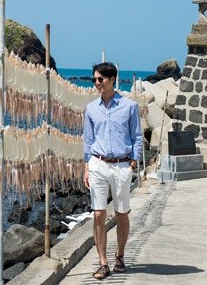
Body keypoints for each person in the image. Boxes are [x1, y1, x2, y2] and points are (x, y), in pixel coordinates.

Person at [83, 62, 142, 280]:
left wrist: (133, 163)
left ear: (112, 79)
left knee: (121, 213)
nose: (97, 83)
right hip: (98, 163)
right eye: (94, 79)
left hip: (121, 165)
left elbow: (137, 136)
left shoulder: (129, 106)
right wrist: (87, 167)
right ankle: (103, 262)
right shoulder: (91, 108)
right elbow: (88, 140)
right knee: (98, 213)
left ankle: (120, 255)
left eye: (101, 79)